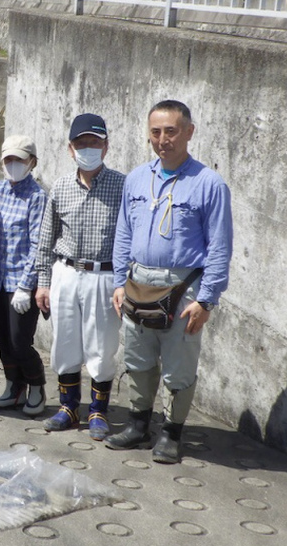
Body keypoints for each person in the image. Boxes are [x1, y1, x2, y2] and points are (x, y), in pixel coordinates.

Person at [106, 100, 233, 463]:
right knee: (138, 357)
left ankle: (172, 432)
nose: (163, 140)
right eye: (156, 132)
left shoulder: (209, 184)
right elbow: (123, 234)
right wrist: (119, 282)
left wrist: (206, 300)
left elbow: (220, 247)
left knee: (179, 365)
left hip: (184, 287)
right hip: (138, 282)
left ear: (189, 133)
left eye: (171, 131)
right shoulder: (136, 178)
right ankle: (137, 424)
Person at [34, 114, 126, 441]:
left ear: (106, 146)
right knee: (66, 341)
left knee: (102, 344)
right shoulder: (60, 186)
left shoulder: (122, 185)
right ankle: (68, 407)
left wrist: (124, 282)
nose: (89, 148)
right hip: (65, 272)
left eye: (95, 142)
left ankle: (98, 410)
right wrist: (43, 282)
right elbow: (46, 238)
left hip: (104, 273)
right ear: (71, 149)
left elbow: (130, 238)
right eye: (82, 143)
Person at [0, 135, 48, 416]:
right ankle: (14, 386)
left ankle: (36, 385)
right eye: (8, 159)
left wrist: (25, 286)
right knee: (1, 337)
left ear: (31, 162)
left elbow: (38, 245)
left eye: (19, 160)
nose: (13, 165)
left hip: (21, 282)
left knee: (20, 340)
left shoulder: (37, 197)